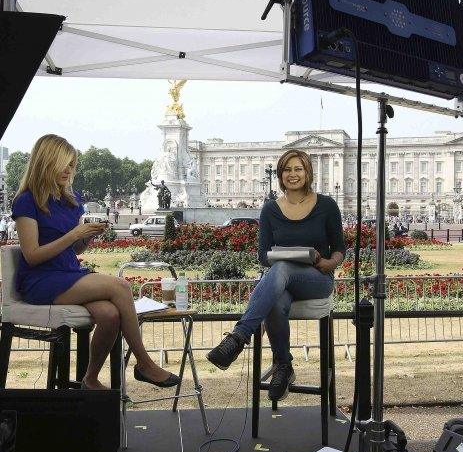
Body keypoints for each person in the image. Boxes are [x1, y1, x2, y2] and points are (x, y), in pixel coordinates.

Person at [12, 134, 179, 390]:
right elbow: (32, 255)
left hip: (67, 273)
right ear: (46, 163)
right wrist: (73, 235)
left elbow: (74, 249)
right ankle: (144, 363)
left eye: (72, 164)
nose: (69, 170)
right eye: (63, 163)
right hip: (41, 280)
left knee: (110, 315)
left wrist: (86, 237)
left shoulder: (70, 200)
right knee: (120, 287)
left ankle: (89, 379)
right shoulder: (27, 201)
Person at [206, 149, 345, 401]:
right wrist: (288, 256)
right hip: (283, 283)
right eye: (287, 170)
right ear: (280, 175)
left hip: (316, 279)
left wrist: (328, 262)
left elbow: (340, 249)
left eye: (298, 169)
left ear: (308, 173)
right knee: (275, 299)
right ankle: (284, 365)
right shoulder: (270, 210)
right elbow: (262, 255)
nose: (293, 174)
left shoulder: (326, 205)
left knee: (279, 270)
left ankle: (240, 336)